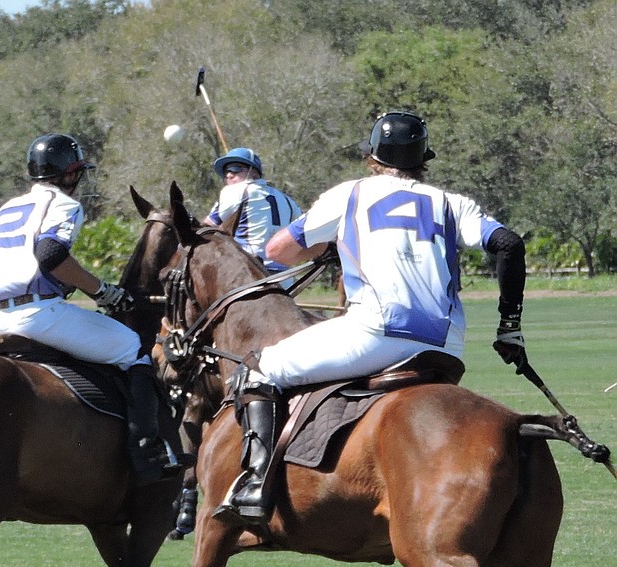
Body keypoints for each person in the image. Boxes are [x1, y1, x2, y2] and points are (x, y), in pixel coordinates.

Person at [217, 111, 528, 525]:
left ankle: (254, 487)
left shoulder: (349, 195)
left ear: (372, 157)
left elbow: (278, 251)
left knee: (259, 369)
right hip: (446, 345)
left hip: (374, 334)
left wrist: (327, 244)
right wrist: (510, 328)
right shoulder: (453, 204)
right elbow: (508, 244)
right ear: (422, 158)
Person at [0, 132, 183, 486]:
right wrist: (103, 292)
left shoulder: (9, 207)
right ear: (69, 174)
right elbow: (50, 255)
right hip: (34, 316)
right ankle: (146, 452)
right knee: (134, 349)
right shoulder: (64, 205)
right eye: (77, 172)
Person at [203, 147, 302, 277]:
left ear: (254, 173)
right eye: (226, 172)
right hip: (284, 276)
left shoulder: (234, 191)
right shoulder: (288, 200)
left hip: (249, 275)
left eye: (236, 169)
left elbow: (207, 227)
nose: (229, 175)